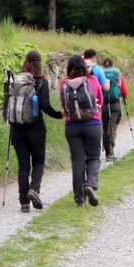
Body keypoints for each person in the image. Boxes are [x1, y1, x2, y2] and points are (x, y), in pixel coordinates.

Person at [7, 50, 63, 213]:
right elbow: (44, 106)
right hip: (36, 129)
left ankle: (24, 202)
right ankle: (34, 189)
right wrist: (60, 115)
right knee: (38, 161)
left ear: (26, 62)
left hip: (16, 128)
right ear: (39, 62)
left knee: (23, 166)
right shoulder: (40, 81)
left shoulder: (14, 80)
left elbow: (7, 105)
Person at [59, 54, 104, 207]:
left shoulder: (63, 84)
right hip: (93, 124)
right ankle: (90, 185)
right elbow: (101, 101)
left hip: (72, 126)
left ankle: (79, 200)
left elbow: (63, 106)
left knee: (78, 161)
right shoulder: (92, 80)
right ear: (84, 67)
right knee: (94, 157)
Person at [100, 57, 128, 161]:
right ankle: (110, 152)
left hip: (103, 104)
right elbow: (124, 90)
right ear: (112, 64)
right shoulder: (117, 73)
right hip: (115, 104)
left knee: (105, 126)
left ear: (103, 64)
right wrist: (124, 97)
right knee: (112, 128)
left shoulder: (100, 73)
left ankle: (107, 150)